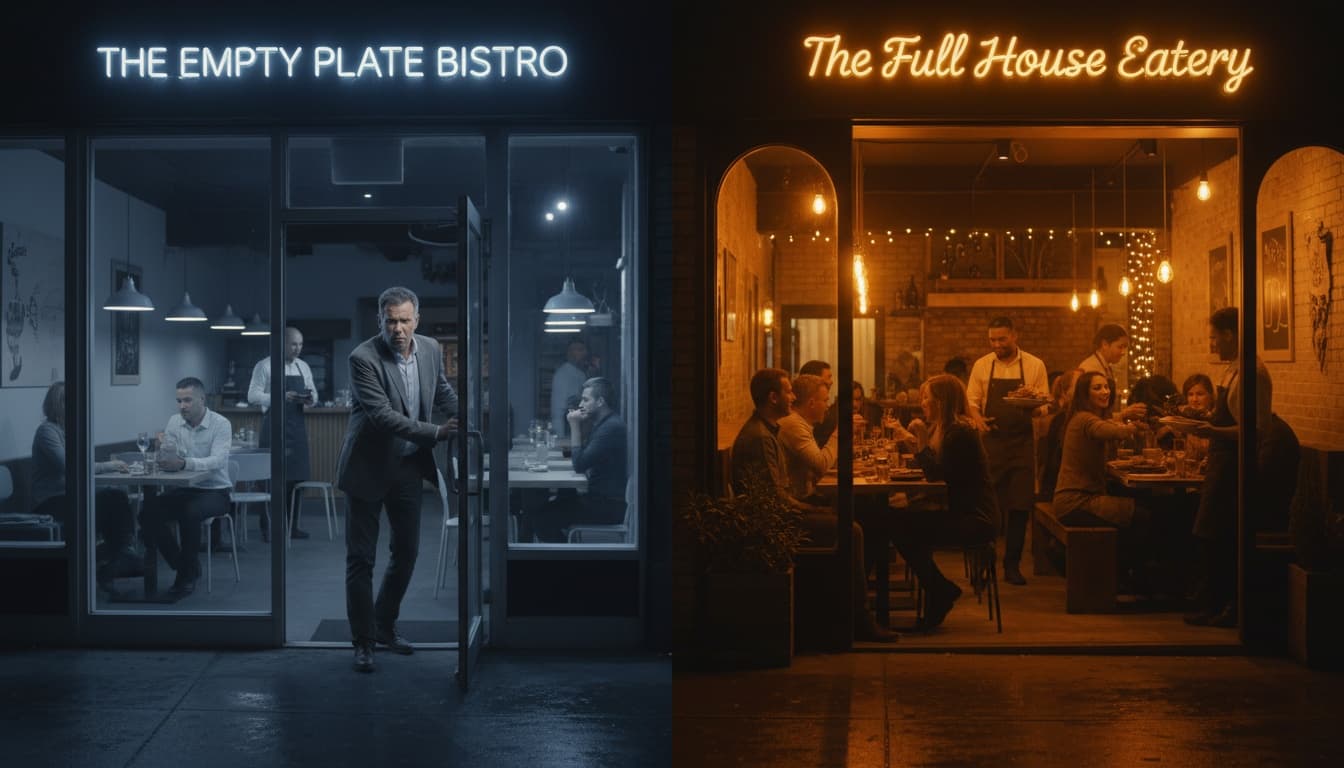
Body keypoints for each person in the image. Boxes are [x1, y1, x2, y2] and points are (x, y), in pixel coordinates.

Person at [337, 286, 458, 672]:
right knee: (362, 560)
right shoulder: (363, 358)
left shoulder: (431, 349)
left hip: (407, 467)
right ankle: (363, 642)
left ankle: (384, 625)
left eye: (405, 320)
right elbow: (383, 416)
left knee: (406, 553)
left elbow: (441, 391)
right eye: (391, 321)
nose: (399, 329)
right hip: (367, 468)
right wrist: (437, 432)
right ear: (380, 321)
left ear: (417, 320)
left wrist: (468, 415)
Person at [731, 368, 895, 642]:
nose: (793, 398)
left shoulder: (768, 430)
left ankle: (848, 611)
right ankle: (859, 619)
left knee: (859, 520)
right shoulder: (761, 437)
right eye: (788, 392)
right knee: (851, 530)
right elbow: (775, 500)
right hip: (774, 524)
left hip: (780, 513)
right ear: (773, 397)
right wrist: (815, 510)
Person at [1186, 307, 1272, 628]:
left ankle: (1227, 608)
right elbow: (1226, 416)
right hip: (1220, 463)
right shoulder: (1232, 370)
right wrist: (1200, 421)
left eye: (1214, 338)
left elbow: (1255, 430)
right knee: (1209, 535)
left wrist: (1212, 432)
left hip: (1235, 466)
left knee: (1223, 538)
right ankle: (1212, 603)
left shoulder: (1254, 374)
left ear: (1230, 335)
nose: (1212, 345)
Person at [903, 375, 998, 629]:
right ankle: (939, 590)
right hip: (961, 512)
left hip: (975, 519)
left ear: (942, 402)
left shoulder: (960, 433)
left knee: (903, 529)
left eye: (927, 398)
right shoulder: (948, 429)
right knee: (898, 522)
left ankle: (940, 591)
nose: (922, 403)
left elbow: (936, 475)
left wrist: (921, 438)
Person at [966, 316, 1049, 586]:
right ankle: (982, 565)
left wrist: (1034, 406)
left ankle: (1012, 565)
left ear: (1015, 335)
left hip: (1022, 443)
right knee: (988, 507)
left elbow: (1043, 404)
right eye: (992, 340)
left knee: (1019, 506)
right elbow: (972, 402)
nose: (997, 344)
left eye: (1002, 339)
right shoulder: (982, 365)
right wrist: (977, 419)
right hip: (992, 442)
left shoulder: (1035, 365)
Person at [30, 381, 135, 593]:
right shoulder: (47, 432)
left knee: (116, 497)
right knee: (114, 501)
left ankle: (117, 557)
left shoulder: (69, 430)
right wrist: (110, 465)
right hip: (51, 501)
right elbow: (71, 466)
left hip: (72, 496)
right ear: (60, 405)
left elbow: (83, 463)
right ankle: (118, 559)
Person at [1052, 371, 1153, 581]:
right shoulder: (1085, 419)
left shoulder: (1083, 417)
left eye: (1106, 386)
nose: (1104, 391)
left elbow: (1108, 425)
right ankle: (1119, 578)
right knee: (1142, 517)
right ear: (1084, 393)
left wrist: (1124, 423)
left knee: (1138, 510)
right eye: (1097, 388)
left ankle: (1119, 575)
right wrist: (1132, 427)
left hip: (1076, 498)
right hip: (1077, 501)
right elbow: (1109, 430)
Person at [138, 377, 233, 599]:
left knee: (190, 513)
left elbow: (217, 461)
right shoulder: (174, 422)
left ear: (202, 399)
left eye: (187, 400)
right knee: (147, 512)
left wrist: (183, 463)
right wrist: (163, 451)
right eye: (179, 401)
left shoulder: (221, 424)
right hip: (183, 489)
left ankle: (185, 577)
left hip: (215, 490)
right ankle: (185, 566)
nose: (182, 406)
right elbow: (171, 456)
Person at [532, 377, 628, 542]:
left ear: (600, 402)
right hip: (603, 499)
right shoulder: (605, 423)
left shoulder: (610, 428)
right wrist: (581, 424)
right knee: (560, 498)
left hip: (608, 506)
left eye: (585, 400)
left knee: (541, 517)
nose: (580, 404)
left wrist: (574, 425)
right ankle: (567, 551)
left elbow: (579, 464)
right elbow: (584, 452)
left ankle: (567, 560)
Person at [247, 326, 316, 541]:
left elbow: (314, 396)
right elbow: (252, 396)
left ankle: (292, 527)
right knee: (271, 480)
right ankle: (269, 529)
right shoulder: (264, 366)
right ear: (282, 344)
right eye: (293, 344)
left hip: (297, 429)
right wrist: (281, 396)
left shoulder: (303, 366)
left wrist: (309, 399)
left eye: (300, 344)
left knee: (295, 482)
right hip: (273, 428)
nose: (298, 349)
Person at [1038, 368, 1083, 501]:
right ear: (1065, 392)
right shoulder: (1063, 420)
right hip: (1061, 493)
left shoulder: (1076, 417)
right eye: (1080, 386)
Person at [1076, 324, 1137, 417]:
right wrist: (1124, 414)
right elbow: (1093, 412)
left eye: (1125, 347)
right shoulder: (1090, 367)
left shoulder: (1105, 365)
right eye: (1120, 347)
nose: (1123, 352)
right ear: (1105, 344)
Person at [550, 338, 592, 437]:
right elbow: (558, 411)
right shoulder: (562, 374)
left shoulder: (581, 373)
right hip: (568, 427)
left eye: (584, 349)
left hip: (581, 423)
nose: (585, 353)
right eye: (580, 350)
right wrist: (560, 438)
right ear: (570, 353)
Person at [798, 360, 837, 445]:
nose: (831, 382)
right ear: (815, 379)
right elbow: (819, 456)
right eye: (828, 377)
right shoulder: (801, 418)